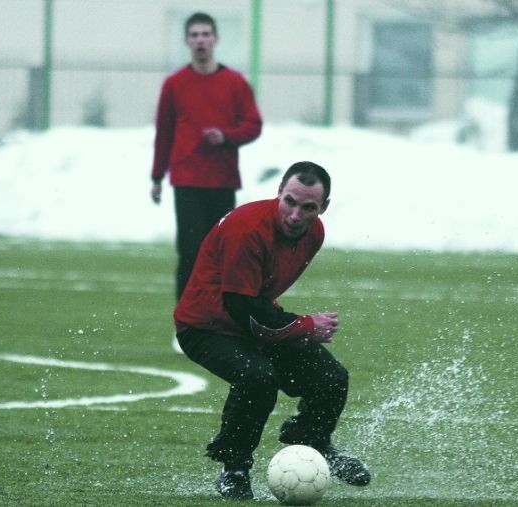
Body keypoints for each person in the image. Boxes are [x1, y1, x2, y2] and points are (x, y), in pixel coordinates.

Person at [174, 161, 371, 500]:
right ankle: (233, 469)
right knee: (257, 377)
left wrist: (295, 330)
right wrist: (305, 326)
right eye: (290, 202)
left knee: (331, 378)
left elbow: (258, 306)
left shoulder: (315, 233)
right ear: (279, 192)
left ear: (323, 208)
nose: (296, 215)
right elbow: (244, 309)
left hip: (251, 321)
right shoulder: (246, 230)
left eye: (308, 207)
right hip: (205, 327)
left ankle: (314, 443)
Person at [150, 12, 262, 353]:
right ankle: (186, 326)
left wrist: (227, 136)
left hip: (222, 181)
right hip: (186, 180)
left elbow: (253, 125)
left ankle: (223, 323)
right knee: (190, 254)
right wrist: (157, 176)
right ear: (187, 40)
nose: (200, 40)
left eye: (205, 34)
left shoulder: (235, 83)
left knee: (223, 257)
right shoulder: (174, 84)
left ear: (215, 39)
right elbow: (164, 132)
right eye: (194, 34)